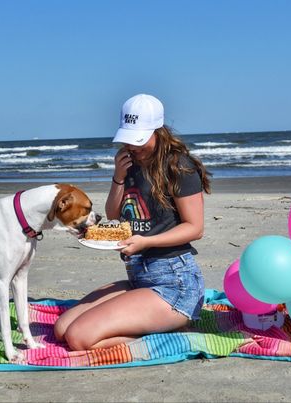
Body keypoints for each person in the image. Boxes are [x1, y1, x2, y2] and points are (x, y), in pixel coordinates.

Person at [54, 94, 211, 351]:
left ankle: (174, 328)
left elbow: (195, 228)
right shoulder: (129, 164)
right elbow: (115, 216)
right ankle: (157, 322)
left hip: (175, 284)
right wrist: (118, 177)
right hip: (139, 278)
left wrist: (145, 242)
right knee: (62, 329)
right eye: (129, 138)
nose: (132, 147)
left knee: (78, 338)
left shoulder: (179, 167)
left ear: (157, 131)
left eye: (139, 139)